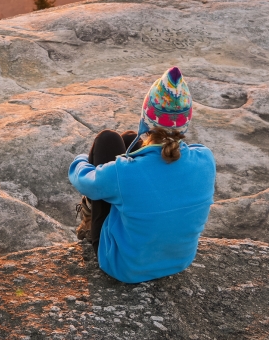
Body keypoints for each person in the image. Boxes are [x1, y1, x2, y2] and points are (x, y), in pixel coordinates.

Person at [69, 66, 216, 283]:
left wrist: (81, 158)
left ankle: (89, 217)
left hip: (125, 267)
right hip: (179, 261)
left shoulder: (125, 173)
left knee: (108, 140)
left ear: (145, 119)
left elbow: (81, 180)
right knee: (129, 140)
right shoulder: (206, 158)